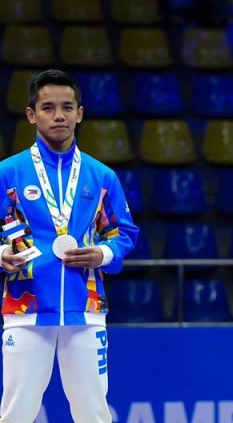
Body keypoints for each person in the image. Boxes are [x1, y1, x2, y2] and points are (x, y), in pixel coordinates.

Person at [0, 70, 139, 422]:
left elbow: (123, 233)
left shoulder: (101, 176)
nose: (58, 115)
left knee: (93, 413)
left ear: (80, 113)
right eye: (47, 107)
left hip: (86, 309)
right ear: (31, 115)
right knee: (16, 414)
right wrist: (1, 254)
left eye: (67, 107)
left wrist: (103, 254)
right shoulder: (8, 173)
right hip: (26, 308)